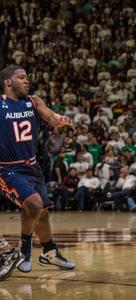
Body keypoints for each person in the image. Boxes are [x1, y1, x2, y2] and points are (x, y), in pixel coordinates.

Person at [0, 65, 75, 272]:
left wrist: (63, 120)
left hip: (32, 167)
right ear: (8, 82)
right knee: (33, 203)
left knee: (42, 213)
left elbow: (51, 118)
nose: (27, 81)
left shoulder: (34, 101)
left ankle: (49, 251)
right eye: (21, 77)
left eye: (27, 78)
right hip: (7, 170)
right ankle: (25, 247)